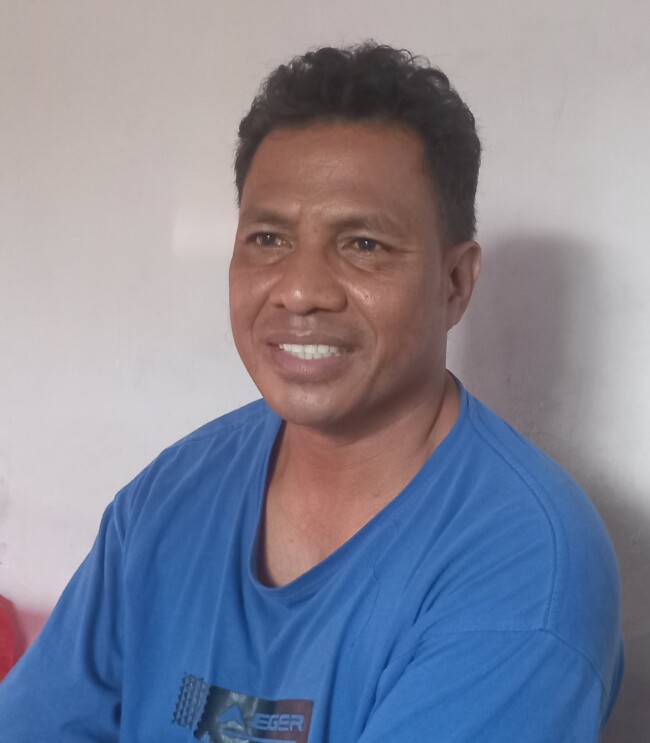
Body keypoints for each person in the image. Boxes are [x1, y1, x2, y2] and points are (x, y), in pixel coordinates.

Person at [0, 42, 623, 741]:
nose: (300, 290)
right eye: (268, 238)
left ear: (454, 283)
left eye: (363, 244)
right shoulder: (166, 501)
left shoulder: (522, 567)